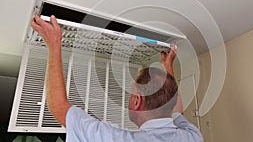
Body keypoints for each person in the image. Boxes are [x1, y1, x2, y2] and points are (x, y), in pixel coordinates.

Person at [31, 14, 204, 142]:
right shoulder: (191, 136)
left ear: (137, 101)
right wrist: (168, 68)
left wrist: (54, 45)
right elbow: (177, 111)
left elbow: (59, 107)